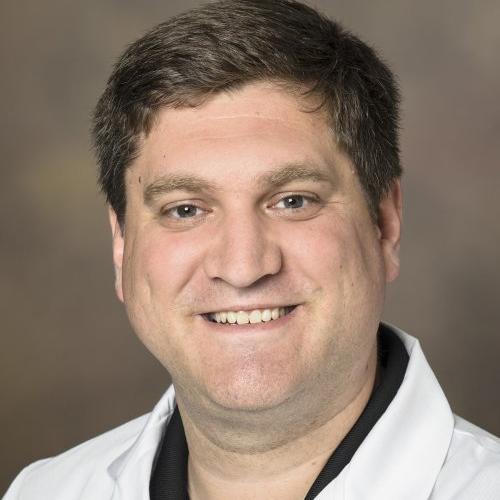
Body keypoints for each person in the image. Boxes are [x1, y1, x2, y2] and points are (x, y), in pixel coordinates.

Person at [4, 0, 500, 498]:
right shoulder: (43, 491)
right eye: (185, 209)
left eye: (293, 201)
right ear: (121, 244)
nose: (242, 267)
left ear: (385, 224)